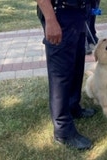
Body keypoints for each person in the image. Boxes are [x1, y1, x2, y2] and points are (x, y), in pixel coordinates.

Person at [36, 0, 96, 150]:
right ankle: (63, 130)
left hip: (78, 12)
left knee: (76, 65)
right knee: (60, 74)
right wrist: (50, 19)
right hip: (60, 12)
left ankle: (72, 106)